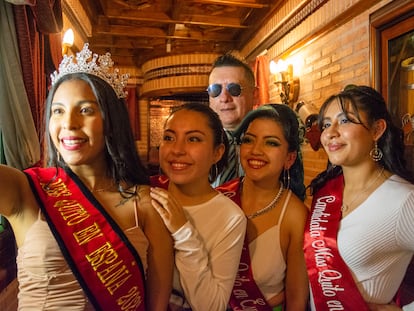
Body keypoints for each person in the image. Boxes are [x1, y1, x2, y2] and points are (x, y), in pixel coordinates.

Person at [0, 43, 173, 311]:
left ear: (110, 120)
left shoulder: (146, 203)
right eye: (58, 110)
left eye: (85, 110)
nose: (68, 123)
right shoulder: (25, 189)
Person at [304, 85, 414, 310]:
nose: (330, 132)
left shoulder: (403, 200)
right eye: (326, 124)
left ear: (377, 130)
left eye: (344, 121)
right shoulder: (326, 192)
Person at [150, 102, 247, 310]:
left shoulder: (229, 217)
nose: (177, 149)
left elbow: (212, 306)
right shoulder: (146, 194)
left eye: (193, 139)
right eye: (169, 137)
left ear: (217, 153)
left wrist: (183, 233)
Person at [217, 104, 309, 310]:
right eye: (248, 140)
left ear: (289, 158)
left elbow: (296, 300)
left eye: (271, 143)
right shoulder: (219, 197)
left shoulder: (295, 216)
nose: (255, 150)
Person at [208, 53, 257, 186]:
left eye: (234, 89)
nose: (224, 98)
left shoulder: (273, 144)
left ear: (255, 95)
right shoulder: (194, 145)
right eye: (215, 90)